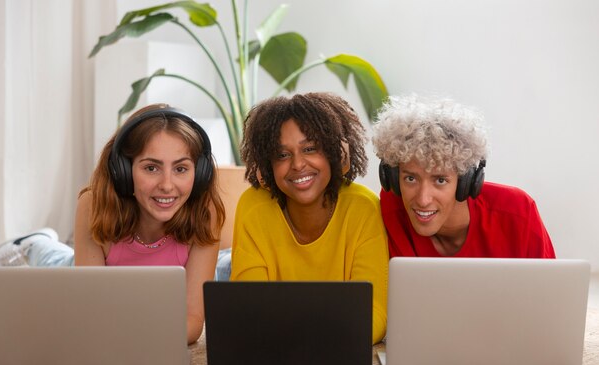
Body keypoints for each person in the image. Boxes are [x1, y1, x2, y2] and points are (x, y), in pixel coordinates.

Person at [0, 104, 226, 344]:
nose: (166, 184)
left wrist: (132, 338)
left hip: (163, 300)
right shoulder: (93, 204)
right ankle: (34, 244)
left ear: (200, 172)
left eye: (181, 168)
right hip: (101, 275)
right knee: (59, 264)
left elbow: (193, 321)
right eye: (151, 168)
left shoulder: (206, 212)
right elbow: (90, 312)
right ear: (123, 169)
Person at [228, 92, 389, 344]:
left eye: (310, 149)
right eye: (282, 155)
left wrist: (314, 336)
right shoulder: (254, 207)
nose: (298, 164)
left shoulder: (363, 208)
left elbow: (374, 312)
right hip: (281, 356)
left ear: (338, 152)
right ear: (266, 164)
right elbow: (250, 310)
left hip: (335, 349)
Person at [372, 94, 555, 258]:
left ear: (465, 182)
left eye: (440, 180)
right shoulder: (392, 210)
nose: (423, 199)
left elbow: (551, 293)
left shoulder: (518, 214)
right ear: (393, 179)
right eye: (410, 179)